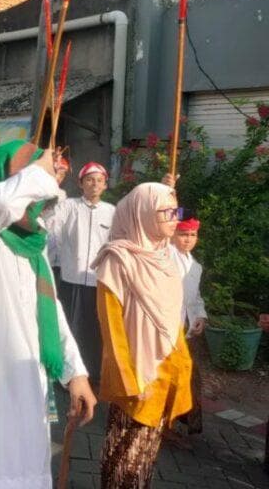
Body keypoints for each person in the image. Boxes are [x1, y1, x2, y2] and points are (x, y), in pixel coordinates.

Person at [0, 140, 95, 488]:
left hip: (29, 383)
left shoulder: (35, 250)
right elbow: (0, 203)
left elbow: (52, 316)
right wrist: (39, 167)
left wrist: (76, 374)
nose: (37, 203)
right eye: (29, 183)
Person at [93, 182, 192, 488]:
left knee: (145, 458)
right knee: (125, 458)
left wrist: (181, 368)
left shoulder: (165, 258)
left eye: (176, 210)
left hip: (164, 373)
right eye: (167, 212)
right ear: (143, 214)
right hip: (137, 379)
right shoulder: (118, 261)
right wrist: (130, 381)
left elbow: (172, 320)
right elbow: (112, 331)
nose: (175, 219)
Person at [46, 161, 115, 382]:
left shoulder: (112, 212)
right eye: (89, 180)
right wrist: (54, 179)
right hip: (71, 280)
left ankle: (92, 375)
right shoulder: (69, 206)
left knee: (95, 331)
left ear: (105, 185)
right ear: (81, 184)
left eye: (99, 181)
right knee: (70, 329)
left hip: (98, 282)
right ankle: (67, 376)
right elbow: (50, 214)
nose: (94, 184)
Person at [169, 216, 206, 438]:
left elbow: (196, 297)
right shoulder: (164, 257)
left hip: (187, 328)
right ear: (173, 234)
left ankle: (176, 422)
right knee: (168, 377)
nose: (188, 240)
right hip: (167, 325)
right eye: (183, 234)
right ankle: (162, 423)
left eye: (193, 235)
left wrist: (201, 316)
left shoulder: (196, 266)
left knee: (189, 378)